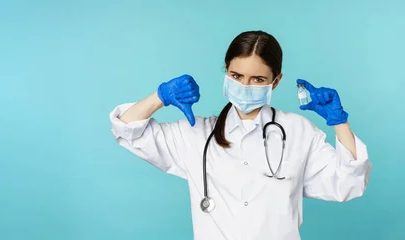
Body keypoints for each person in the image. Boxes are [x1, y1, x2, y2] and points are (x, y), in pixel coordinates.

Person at [108, 30, 372, 240]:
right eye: (236, 75)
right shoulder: (195, 134)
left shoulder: (298, 131)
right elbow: (128, 131)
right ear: (226, 73)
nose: (245, 86)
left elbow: (348, 184)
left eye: (258, 79)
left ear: (275, 81)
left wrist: (339, 122)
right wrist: (161, 96)